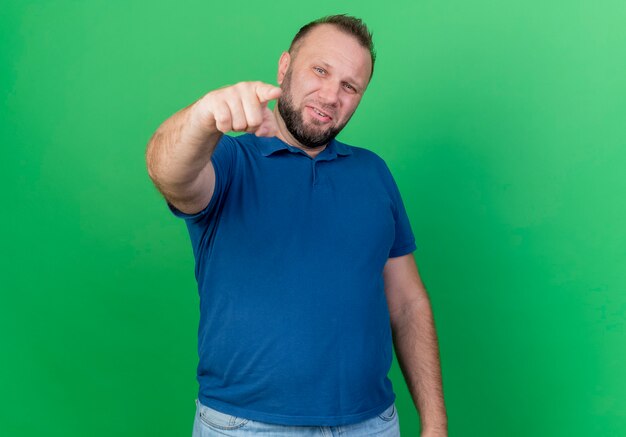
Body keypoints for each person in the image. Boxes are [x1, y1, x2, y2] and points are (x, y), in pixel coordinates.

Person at [145, 14, 448, 437]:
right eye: (320, 70)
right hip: (247, 426)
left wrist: (435, 425)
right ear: (285, 67)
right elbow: (168, 172)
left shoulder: (374, 173)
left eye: (349, 86)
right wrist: (201, 119)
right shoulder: (231, 163)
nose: (330, 95)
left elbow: (407, 303)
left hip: (372, 424)